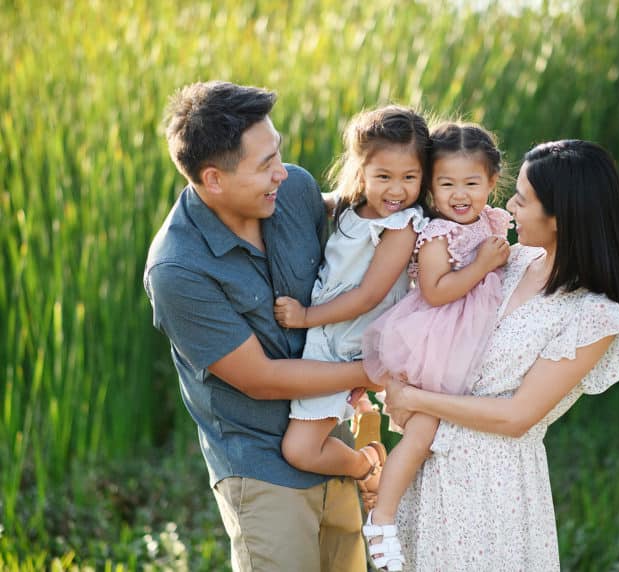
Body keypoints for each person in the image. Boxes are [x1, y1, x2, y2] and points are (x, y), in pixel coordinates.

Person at [143, 81, 381, 572]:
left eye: (278, 154)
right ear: (213, 179)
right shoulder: (178, 270)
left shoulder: (292, 189)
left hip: (328, 443)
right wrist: (372, 371)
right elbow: (262, 377)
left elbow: (371, 211)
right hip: (262, 472)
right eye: (264, 165)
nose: (282, 172)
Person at [383, 139, 619, 571]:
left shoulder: (594, 314)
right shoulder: (507, 261)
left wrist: (415, 400)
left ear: (560, 216)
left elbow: (517, 417)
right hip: (431, 467)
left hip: (496, 491)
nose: (508, 206)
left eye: (523, 200)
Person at [358, 122, 512, 571]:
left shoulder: (494, 221)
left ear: (491, 183)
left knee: (450, 436)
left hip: (473, 346)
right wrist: (483, 264)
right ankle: (381, 517)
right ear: (431, 186)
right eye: (446, 184)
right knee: (424, 431)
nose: (459, 195)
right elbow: (437, 290)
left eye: (471, 183)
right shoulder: (437, 234)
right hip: (435, 342)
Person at [272, 106, 430, 498]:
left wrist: (306, 316)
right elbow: (311, 201)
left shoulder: (400, 225)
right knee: (302, 439)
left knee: (299, 449)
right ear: (361, 171)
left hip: (347, 345)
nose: (397, 190)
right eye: (384, 177)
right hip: (330, 336)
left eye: (410, 178)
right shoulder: (350, 205)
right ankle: (362, 420)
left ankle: (367, 463)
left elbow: (368, 296)